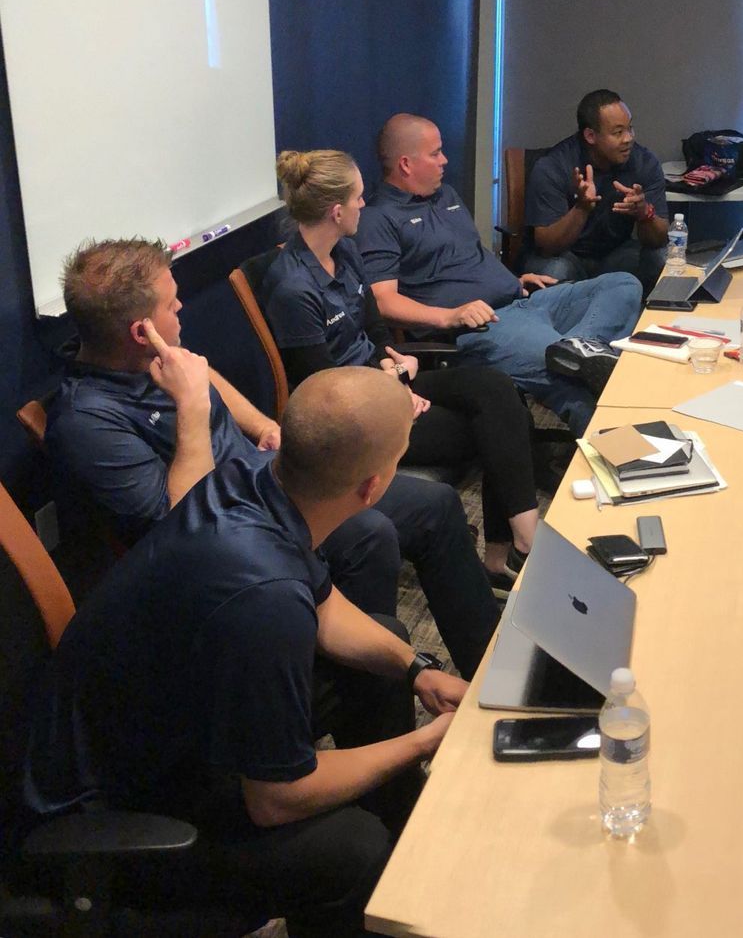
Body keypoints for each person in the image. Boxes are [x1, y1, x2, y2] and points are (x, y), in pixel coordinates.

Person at [26, 368, 465, 938]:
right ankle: (372, 881)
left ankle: (408, 847)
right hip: (111, 814)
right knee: (351, 848)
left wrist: (417, 669)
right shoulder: (265, 598)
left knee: (383, 648)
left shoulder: (252, 480)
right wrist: (425, 743)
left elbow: (327, 607)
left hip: (167, 726)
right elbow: (276, 801)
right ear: (373, 487)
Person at [42, 239, 499, 678]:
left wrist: (263, 426)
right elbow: (183, 525)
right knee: (369, 533)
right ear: (141, 332)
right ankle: (342, 675)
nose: (181, 307)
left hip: (270, 479)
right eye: (171, 303)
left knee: (437, 505)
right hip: (234, 534)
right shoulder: (87, 422)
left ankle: (489, 670)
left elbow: (204, 374)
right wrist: (192, 406)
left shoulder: (152, 355)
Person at [264, 149, 543, 583]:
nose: (364, 204)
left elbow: (373, 326)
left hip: (384, 381)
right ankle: (514, 548)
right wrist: (392, 391)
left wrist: (388, 359)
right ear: (336, 212)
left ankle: (515, 544)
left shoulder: (344, 250)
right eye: (357, 198)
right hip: (352, 418)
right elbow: (322, 386)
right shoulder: (293, 289)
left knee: (495, 388)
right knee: (501, 426)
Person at [358, 113, 643, 435]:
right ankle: (623, 449)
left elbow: (469, 257)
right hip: (485, 326)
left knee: (623, 284)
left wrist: (512, 280)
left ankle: (578, 347)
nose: (444, 160)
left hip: (525, 300)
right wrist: (449, 316)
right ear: (406, 164)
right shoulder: (378, 218)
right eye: (435, 153)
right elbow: (382, 301)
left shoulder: (446, 196)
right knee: (573, 380)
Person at [524, 89, 669, 294]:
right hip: (567, 256)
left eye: (630, 129)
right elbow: (547, 246)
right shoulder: (553, 166)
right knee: (554, 271)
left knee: (661, 258)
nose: (628, 139)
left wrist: (644, 213)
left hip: (616, 255)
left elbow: (659, 239)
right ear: (590, 135)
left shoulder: (644, 162)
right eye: (618, 132)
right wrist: (581, 208)